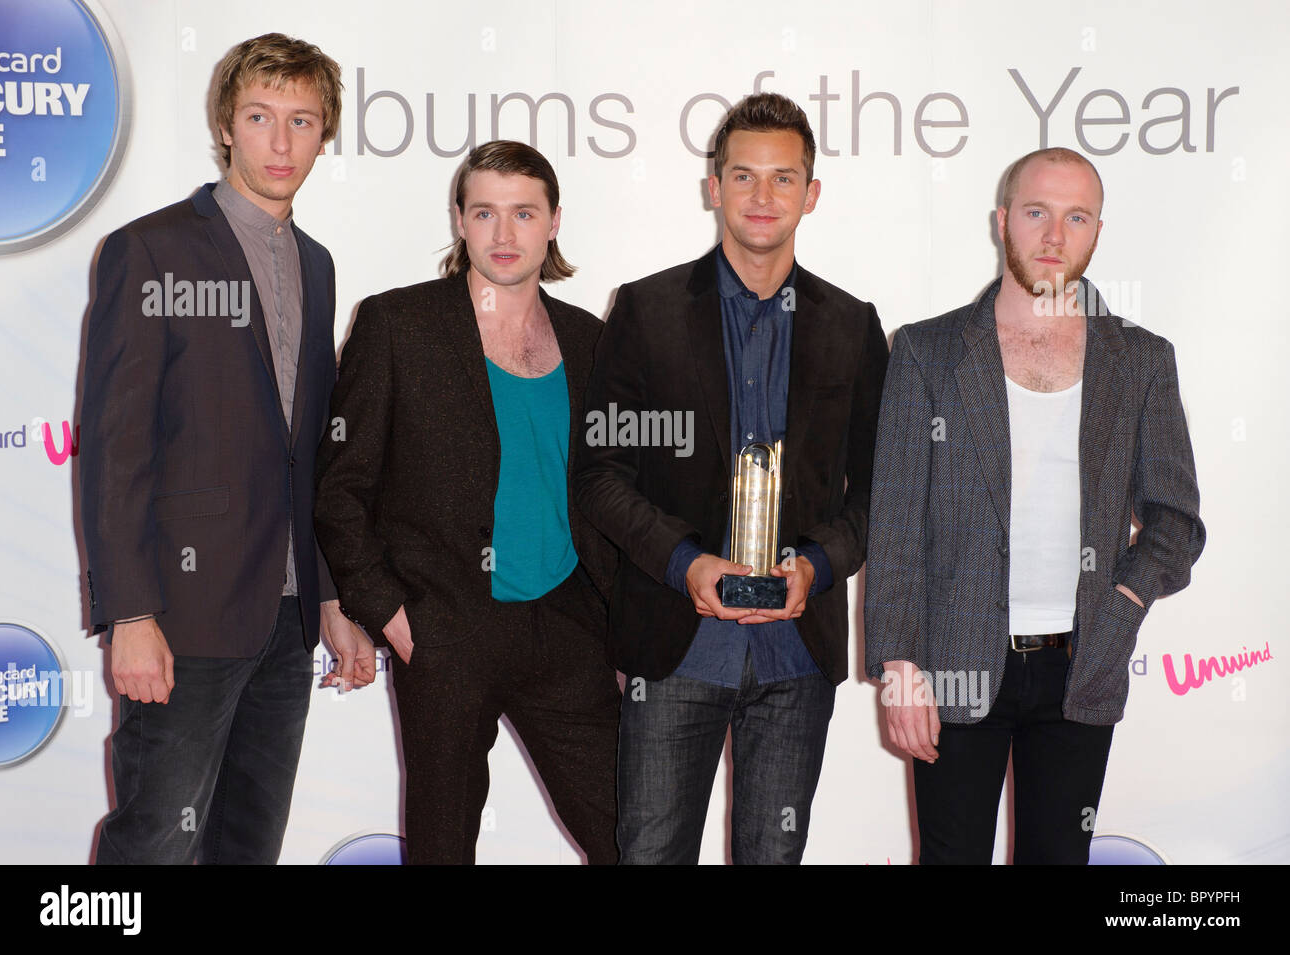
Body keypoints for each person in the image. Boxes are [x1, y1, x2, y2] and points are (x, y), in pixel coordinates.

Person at [864, 147, 1205, 864]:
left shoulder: (1141, 359)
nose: (1054, 234)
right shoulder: (926, 352)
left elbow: (1175, 519)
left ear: (1098, 232)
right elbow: (894, 522)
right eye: (1037, 213)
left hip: (1083, 662)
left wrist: (1123, 597)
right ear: (1002, 222)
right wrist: (899, 664)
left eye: (1075, 216)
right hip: (953, 661)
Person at [81, 33, 374, 865]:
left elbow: (308, 452)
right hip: (182, 613)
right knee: (151, 847)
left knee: (247, 847)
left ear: (324, 135)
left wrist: (328, 597)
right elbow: (115, 447)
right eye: (260, 117)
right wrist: (131, 613)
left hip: (286, 625)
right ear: (226, 124)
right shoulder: (152, 249)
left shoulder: (316, 265)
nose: (281, 143)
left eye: (303, 121)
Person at [576, 93, 889, 864]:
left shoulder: (853, 325)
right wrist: (686, 563)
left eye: (783, 179)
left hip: (796, 652)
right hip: (675, 646)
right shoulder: (646, 311)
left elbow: (878, 492)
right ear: (712, 186)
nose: (761, 196)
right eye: (743, 176)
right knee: (649, 854)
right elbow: (600, 472)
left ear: (811, 194)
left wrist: (817, 565)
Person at [314, 140, 620, 865]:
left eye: (523, 213)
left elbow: (609, 496)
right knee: (443, 846)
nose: (504, 234)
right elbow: (340, 486)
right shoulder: (398, 325)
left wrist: (624, 628)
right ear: (459, 221)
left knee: (635, 837)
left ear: (554, 223)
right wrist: (389, 610)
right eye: (485, 212)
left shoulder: (592, 339)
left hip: (568, 625)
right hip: (446, 625)